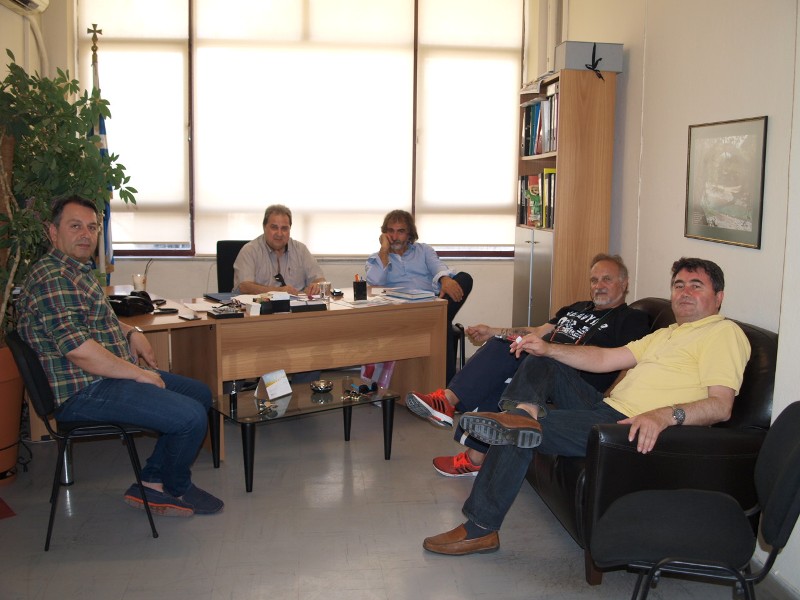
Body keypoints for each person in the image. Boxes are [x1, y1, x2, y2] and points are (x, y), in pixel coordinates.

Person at [422, 257, 750, 555]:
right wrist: (548, 348)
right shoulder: (666, 334)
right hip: (605, 406)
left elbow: (721, 406)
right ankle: (521, 414)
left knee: (516, 433)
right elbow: (606, 358)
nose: (684, 292)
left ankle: (480, 528)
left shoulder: (723, 333)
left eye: (696, 285)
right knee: (545, 356)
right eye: (679, 285)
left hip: (629, 426)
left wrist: (666, 415)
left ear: (718, 297)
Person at [16, 196, 223, 517]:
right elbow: (79, 350)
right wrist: (138, 373)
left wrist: (130, 332)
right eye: (75, 226)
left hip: (102, 377)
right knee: (191, 417)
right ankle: (174, 487)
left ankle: (152, 481)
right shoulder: (52, 279)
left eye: (91, 227)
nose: (86, 234)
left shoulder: (74, 271)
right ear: (53, 232)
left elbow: (97, 319)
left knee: (199, 393)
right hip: (83, 390)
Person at [405, 254, 650, 478]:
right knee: (507, 345)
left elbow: (632, 363)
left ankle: (448, 403)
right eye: (594, 280)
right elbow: (537, 331)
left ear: (624, 283)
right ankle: (474, 455)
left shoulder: (632, 319)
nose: (598, 285)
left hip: (576, 384)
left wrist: (610, 401)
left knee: (535, 355)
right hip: (544, 365)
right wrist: (492, 331)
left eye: (607, 279)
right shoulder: (575, 308)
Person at [366, 209, 473, 383]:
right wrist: (384, 251)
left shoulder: (424, 250)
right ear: (384, 234)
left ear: (409, 234)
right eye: (390, 231)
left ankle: (439, 319)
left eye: (400, 231)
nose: (395, 236)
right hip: (402, 313)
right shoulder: (377, 258)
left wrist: (445, 279)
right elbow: (375, 282)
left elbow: (437, 267)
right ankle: (446, 387)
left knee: (464, 278)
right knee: (443, 324)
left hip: (431, 305)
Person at [233, 204, 325, 296]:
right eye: (274, 227)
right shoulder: (249, 251)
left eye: (284, 228)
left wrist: (316, 287)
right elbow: (244, 286)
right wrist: (279, 291)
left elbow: (320, 280)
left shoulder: (301, 250)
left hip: (296, 304)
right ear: (264, 227)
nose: (279, 234)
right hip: (260, 304)